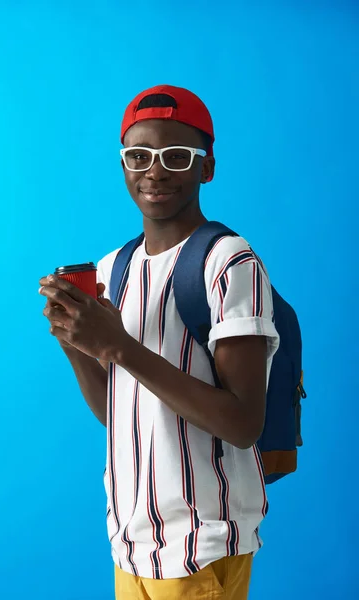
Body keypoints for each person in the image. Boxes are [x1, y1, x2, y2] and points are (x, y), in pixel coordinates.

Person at [39, 84, 280, 600]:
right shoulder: (113, 268)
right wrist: (75, 341)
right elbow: (121, 412)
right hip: (129, 541)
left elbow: (242, 424)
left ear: (206, 167)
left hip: (200, 545)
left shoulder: (228, 263)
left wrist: (120, 346)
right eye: (138, 155)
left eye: (175, 155)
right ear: (123, 164)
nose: (155, 169)